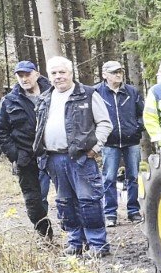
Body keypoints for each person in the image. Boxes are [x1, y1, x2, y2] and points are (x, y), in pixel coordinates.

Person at [34, 57, 113, 257]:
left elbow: (105, 123)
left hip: (81, 159)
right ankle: (75, 242)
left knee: (89, 201)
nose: (58, 77)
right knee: (65, 203)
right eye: (53, 73)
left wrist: (95, 148)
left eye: (62, 72)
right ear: (48, 76)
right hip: (54, 159)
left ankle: (97, 244)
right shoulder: (45, 98)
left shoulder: (87, 94)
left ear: (71, 73)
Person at [0, 61, 53, 237]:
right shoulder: (10, 100)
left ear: (37, 74)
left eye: (27, 74)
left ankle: (76, 235)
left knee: (67, 195)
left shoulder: (53, 93)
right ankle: (45, 235)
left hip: (55, 152)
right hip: (26, 157)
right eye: (20, 76)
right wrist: (15, 154)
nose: (24, 79)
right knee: (34, 200)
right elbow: (0, 129)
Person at [96, 60, 144, 226]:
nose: (118, 74)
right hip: (109, 143)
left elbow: (141, 114)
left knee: (133, 177)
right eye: (114, 72)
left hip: (132, 141)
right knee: (109, 178)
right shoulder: (97, 92)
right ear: (104, 75)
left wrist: (137, 129)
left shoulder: (132, 92)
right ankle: (110, 214)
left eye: (120, 71)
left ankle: (133, 211)